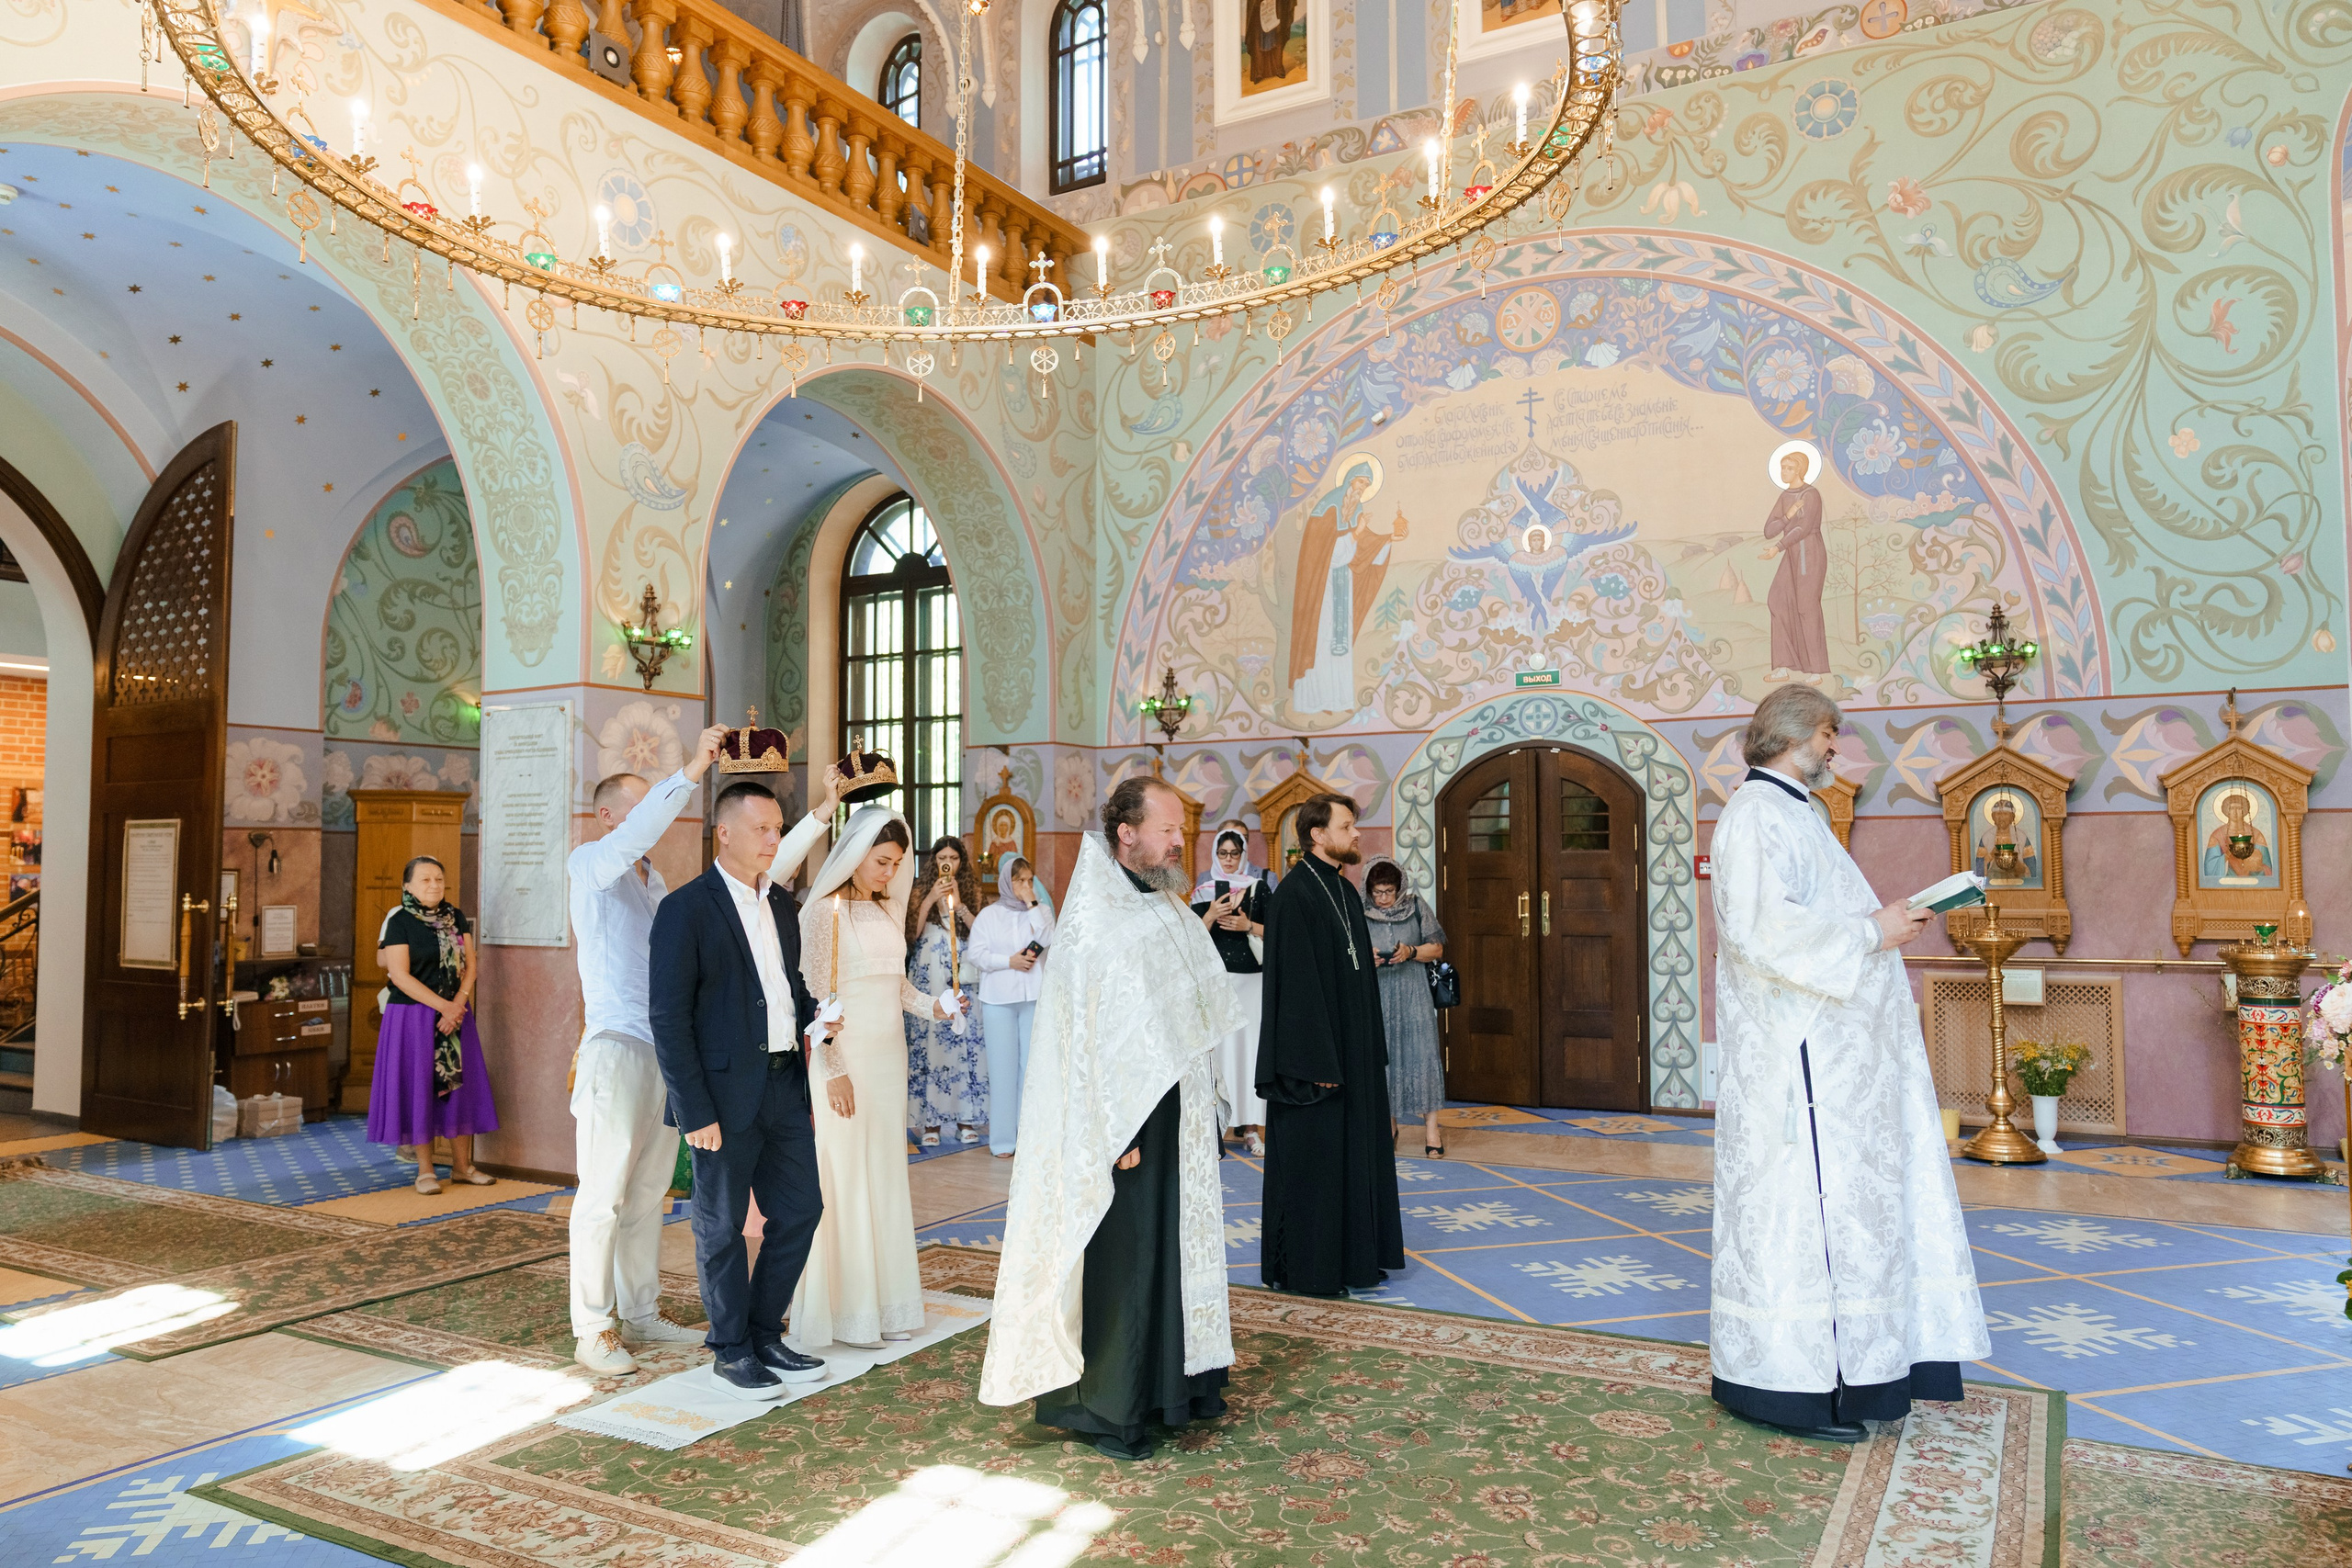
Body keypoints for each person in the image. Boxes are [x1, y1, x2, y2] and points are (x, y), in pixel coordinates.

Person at [1710, 682, 1987, 1442]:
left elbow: (1817, 918)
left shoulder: (1798, 811)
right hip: (1796, 1061)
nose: (1837, 747)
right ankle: (1795, 1386)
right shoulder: (1757, 815)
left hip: (1830, 1058)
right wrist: (1875, 931)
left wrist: (1881, 924)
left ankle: (1853, 1373)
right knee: (1810, 1212)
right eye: (1831, 733)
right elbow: (1765, 934)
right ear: (1794, 732)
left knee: (1850, 1211)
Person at [563, 722, 838, 1377]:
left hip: (670, 1055)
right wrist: (691, 770)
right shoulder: (591, 865)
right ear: (607, 815)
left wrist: (820, 812)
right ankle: (593, 1326)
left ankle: (639, 1309)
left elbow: (772, 866)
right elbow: (640, 834)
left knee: (650, 1192)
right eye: (642, 803)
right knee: (601, 1193)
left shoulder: (658, 886)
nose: (657, 820)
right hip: (614, 1044)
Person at [979, 776, 1242, 1460]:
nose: (1181, 839)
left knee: (1170, 1251)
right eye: (1169, 828)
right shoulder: (1093, 924)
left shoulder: (1162, 904)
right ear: (1127, 834)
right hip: (1122, 1125)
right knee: (1127, 1258)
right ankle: (1109, 1402)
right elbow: (1082, 1041)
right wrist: (1112, 1129)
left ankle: (1174, 1389)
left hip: (1173, 1111)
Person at [648, 780, 833, 1397]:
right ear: (723, 832)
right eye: (764, 829)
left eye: (779, 829)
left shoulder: (779, 903)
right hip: (722, 1099)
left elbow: (783, 989)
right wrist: (693, 1107)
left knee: (802, 1208)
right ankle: (729, 1346)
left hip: (783, 1084)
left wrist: (817, 1014)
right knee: (721, 1224)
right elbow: (669, 1019)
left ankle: (761, 1329)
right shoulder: (686, 909)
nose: (775, 840)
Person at [793, 807, 963, 1349]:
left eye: (896, 864)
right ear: (855, 854)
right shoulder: (824, 912)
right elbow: (818, 1001)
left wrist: (936, 1007)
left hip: (891, 1062)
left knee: (885, 1176)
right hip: (846, 1060)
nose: (890, 873)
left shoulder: (888, 912)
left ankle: (885, 1307)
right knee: (842, 1179)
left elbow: (898, 990)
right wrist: (834, 1070)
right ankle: (841, 1310)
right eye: (882, 862)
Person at [1255, 793, 1403, 1296]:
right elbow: (1295, 988)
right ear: (1318, 835)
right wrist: (1315, 1059)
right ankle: (1311, 1270)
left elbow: (1359, 980)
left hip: (1351, 1054)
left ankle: (1352, 1260)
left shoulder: (1341, 889)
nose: (1357, 834)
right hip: (1316, 1063)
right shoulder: (1294, 895)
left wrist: (1369, 1052)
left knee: (1352, 1159)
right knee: (1315, 1168)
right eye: (1347, 826)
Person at [368, 855, 498, 1194]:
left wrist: (458, 1003)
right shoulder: (400, 920)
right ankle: (425, 1170)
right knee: (419, 1086)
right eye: (425, 880)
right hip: (413, 1015)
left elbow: (471, 964)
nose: (434, 885)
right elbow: (399, 974)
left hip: (455, 1013)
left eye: (438, 879)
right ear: (407, 886)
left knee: (460, 1086)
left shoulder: (454, 917)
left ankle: (463, 1167)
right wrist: (445, 1007)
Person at [969, 857, 1055, 1159]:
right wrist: (1009, 961)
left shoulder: (1041, 912)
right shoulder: (989, 916)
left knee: (1031, 1070)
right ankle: (1004, 1141)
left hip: (1033, 999)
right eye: (1019, 881)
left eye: (1030, 880)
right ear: (1007, 882)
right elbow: (976, 954)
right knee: (1002, 1070)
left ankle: (1031, 1137)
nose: (1025, 886)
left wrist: (1033, 904)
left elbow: (1046, 939)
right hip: (998, 1002)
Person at [1189, 830, 1269, 1154]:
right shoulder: (1203, 890)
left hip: (1252, 982)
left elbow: (1278, 930)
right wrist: (1210, 915)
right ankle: (1214, 1128)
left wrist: (1247, 925)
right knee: (1219, 1056)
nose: (1229, 859)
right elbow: (1189, 937)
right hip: (1217, 982)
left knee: (1249, 1055)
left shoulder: (1258, 888)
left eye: (1235, 853)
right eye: (1223, 853)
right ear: (1215, 854)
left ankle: (1251, 1129)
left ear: (1244, 854)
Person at [1364, 858, 1447, 1158]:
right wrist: (1366, 957)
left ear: (1399, 889)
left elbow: (1436, 948)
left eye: (1388, 891)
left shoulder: (1415, 906)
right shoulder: (1361, 910)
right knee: (1384, 1059)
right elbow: (1349, 953)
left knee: (1423, 1055)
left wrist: (1411, 951)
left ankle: (1432, 1131)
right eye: (1377, 892)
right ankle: (1389, 1127)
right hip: (1378, 992)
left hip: (1413, 992)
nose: (1383, 899)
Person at [905, 835, 984, 1146]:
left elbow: (982, 934)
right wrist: (929, 899)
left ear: (961, 862)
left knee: (964, 1043)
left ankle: (966, 1119)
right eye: (941, 858)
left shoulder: (973, 890)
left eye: (953, 857)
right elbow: (911, 934)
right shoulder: (919, 891)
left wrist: (961, 904)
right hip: (928, 974)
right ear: (934, 862)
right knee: (930, 1045)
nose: (947, 862)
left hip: (960, 972)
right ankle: (931, 1125)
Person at [1760, 448, 1829, 682]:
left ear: (1800, 469)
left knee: (1806, 607)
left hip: (1809, 554)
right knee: (1777, 601)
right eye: (1782, 467)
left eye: (1789, 468)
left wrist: (1777, 548)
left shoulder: (1811, 495)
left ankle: (1816, 670)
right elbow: (1769, 530)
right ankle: (1782, 666)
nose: (1784, 471)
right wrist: (1788, 515)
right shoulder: (1785, 496)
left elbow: (1805, 528)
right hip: (1791, 554)